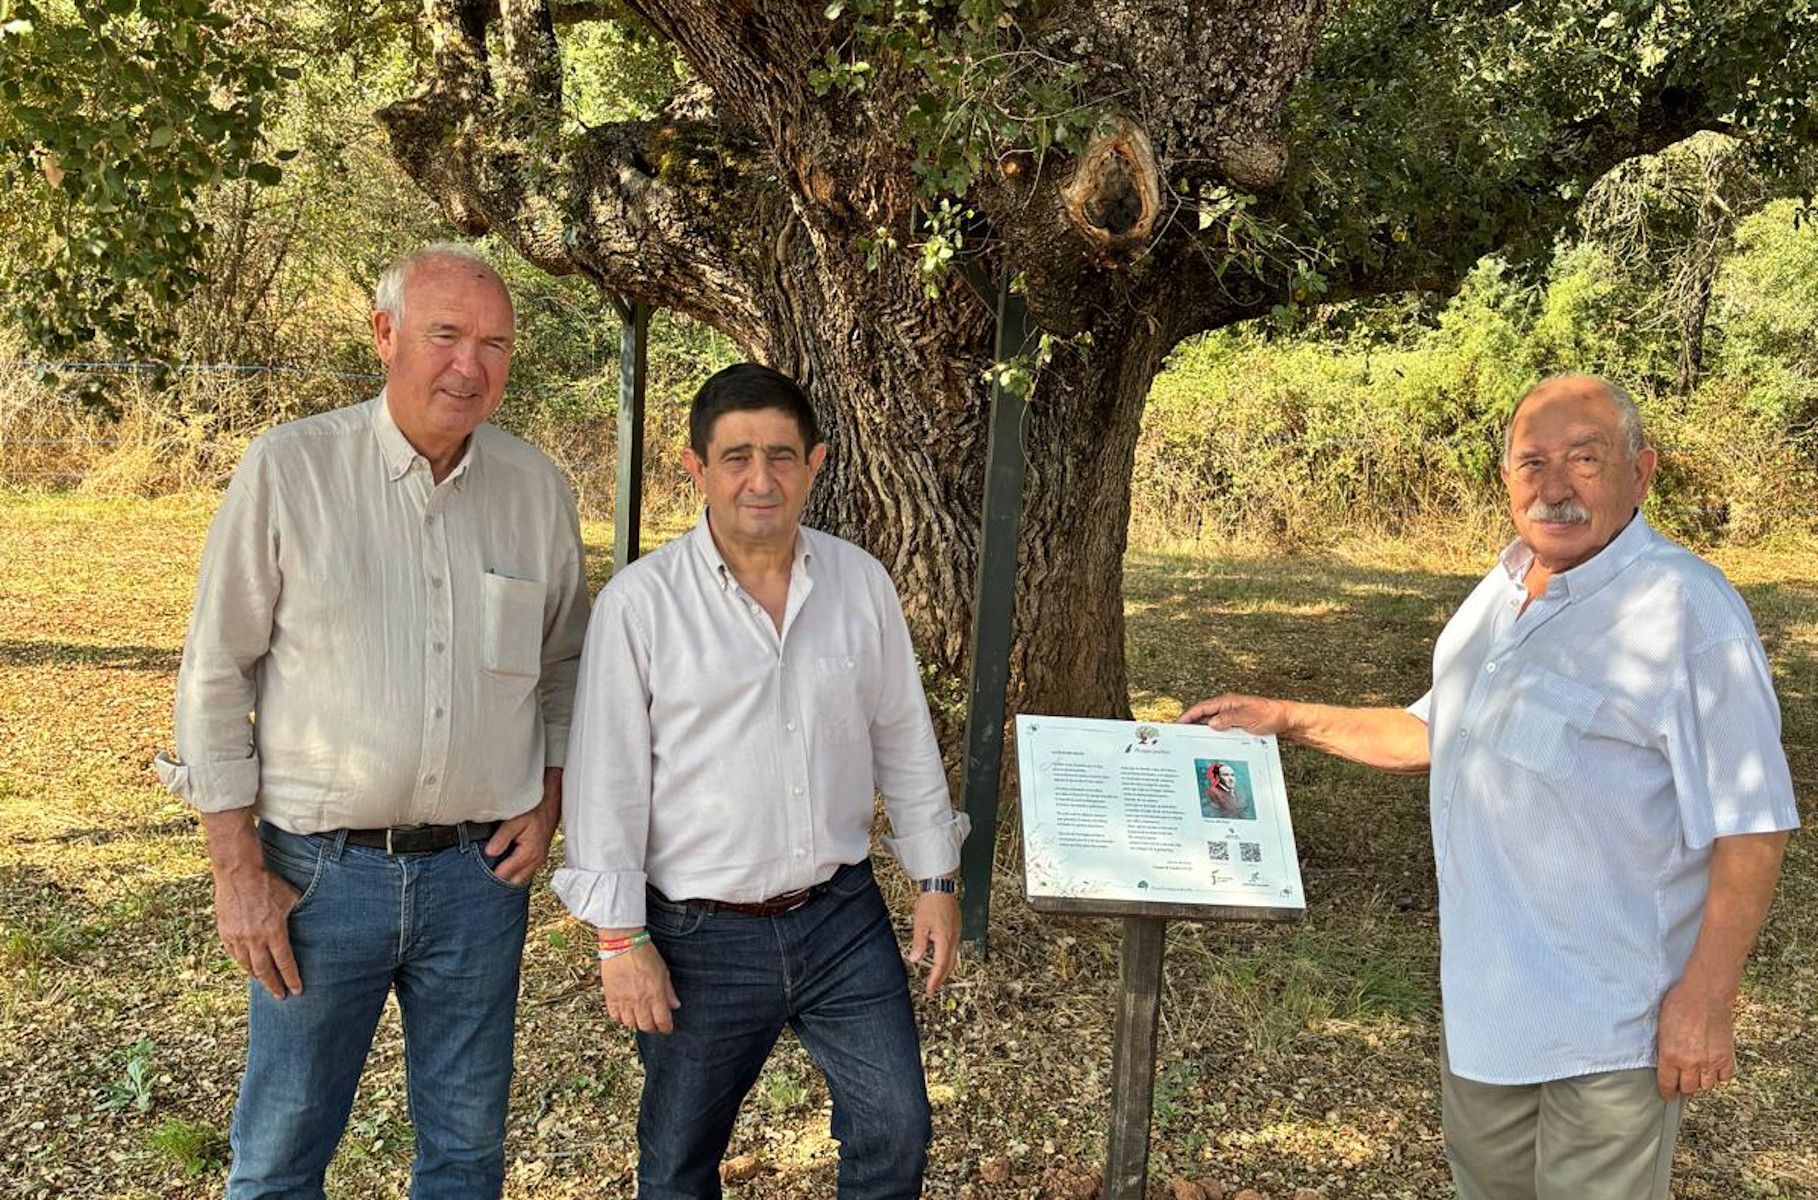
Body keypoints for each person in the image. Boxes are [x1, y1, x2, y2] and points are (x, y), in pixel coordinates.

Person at [1180, 374, 1797, 1200]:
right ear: (1505, 477)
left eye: (1585, 459)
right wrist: (1286, 717)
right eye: (1531, 461)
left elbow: (1752, 823)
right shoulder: (1498, 594)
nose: (1554, 486)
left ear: (1641, 472)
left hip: (1611, 1027)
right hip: (1486, 1015)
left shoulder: (1687, 611)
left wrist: (1707, 996)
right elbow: (1437, 733)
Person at [154, 242, 590, 1199]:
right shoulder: (290, 471)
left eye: (495, 343)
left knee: (467, 1155)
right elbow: (215, 673)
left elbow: (563, 666)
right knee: (279, 1156)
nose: (469, 365)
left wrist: (551, 794)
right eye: (445, 335)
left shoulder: (536, 491)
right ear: (385, 335)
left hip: (480, 881)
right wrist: (238, 871)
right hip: (316, 879)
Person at [554, 362, 970, 1200]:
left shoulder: (861, 584)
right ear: (695, 468)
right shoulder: (641, 605)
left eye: (782, 456)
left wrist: (936, 879)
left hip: (840, 917)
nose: (760, 479)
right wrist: (619, 938)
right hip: (698, 933)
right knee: (678, 1160)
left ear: (816, 464)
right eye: (736, 456)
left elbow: (903, 737)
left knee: (896, 1128)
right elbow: (607, 783)